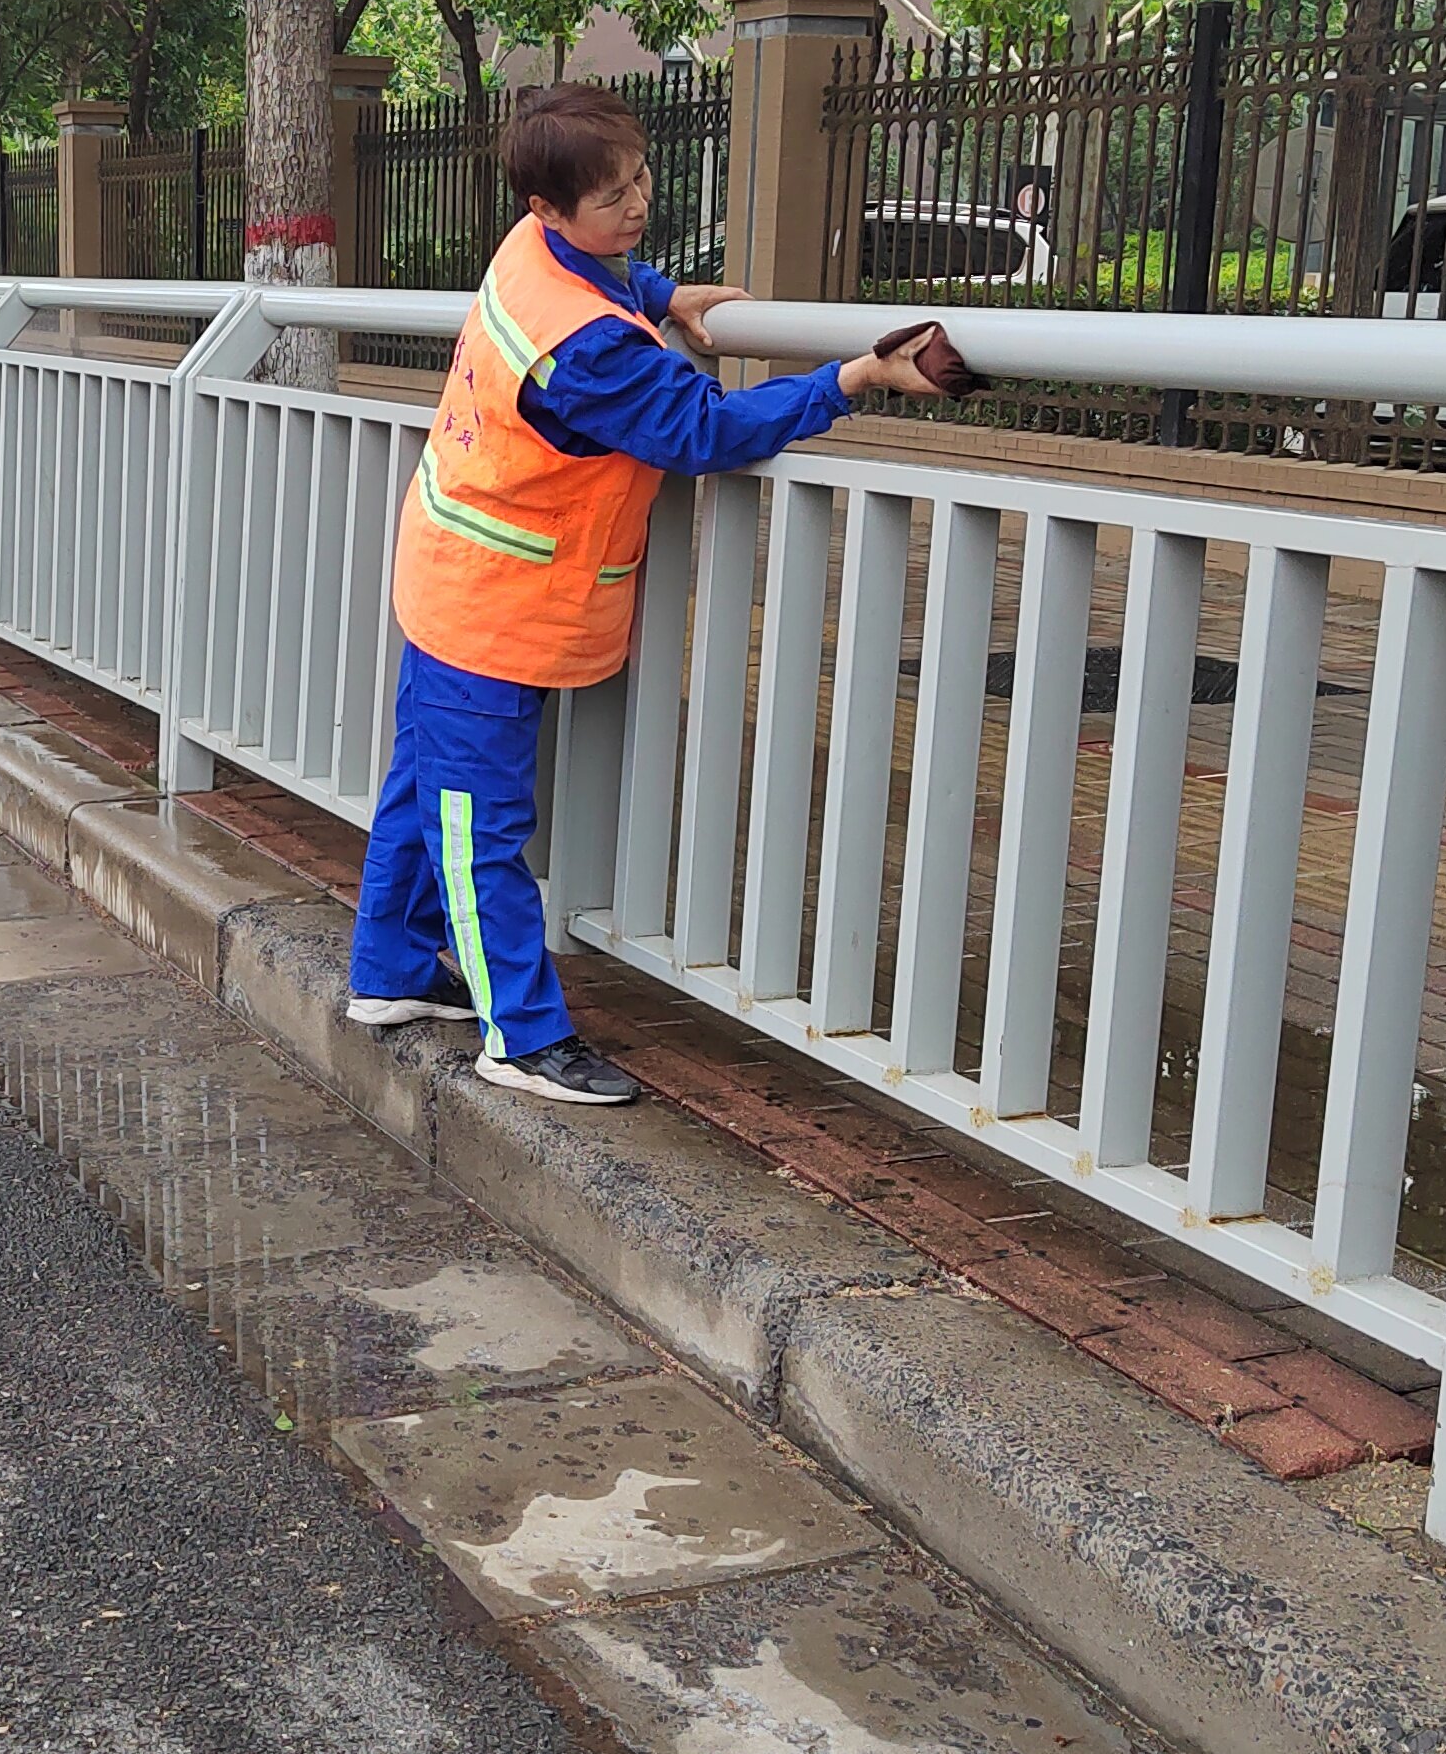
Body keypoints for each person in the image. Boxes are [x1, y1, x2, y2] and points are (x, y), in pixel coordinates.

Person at [347, 83, 978, 1105]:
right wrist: (851, 380)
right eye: (612, 198)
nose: (637, 204)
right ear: (550, 206)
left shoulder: (531, 251)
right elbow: (706, 431)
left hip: (451, 568)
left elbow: (599, 278)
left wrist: (662, 292)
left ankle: (391, 973)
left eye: (640, 179)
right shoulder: (586, 348)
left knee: (427, 790)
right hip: (495, 605)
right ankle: (522, 1038)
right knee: (477, 826)